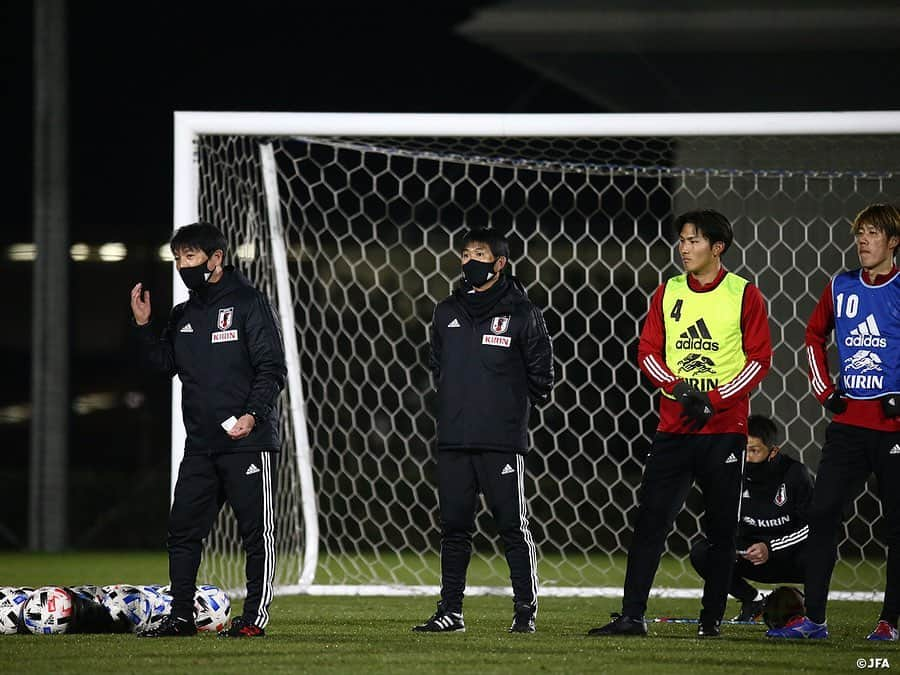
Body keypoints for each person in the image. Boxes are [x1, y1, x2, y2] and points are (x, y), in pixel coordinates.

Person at [589, 209, 772, 638]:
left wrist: (715, 399)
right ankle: (632, 616)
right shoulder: (667, 291)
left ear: (717, 247)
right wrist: (679, 390)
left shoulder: (745, 294)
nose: (684, 248)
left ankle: (711, 624)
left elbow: (759, 360)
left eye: (693, 240)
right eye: (682, 240)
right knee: (650, 523)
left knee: (722, 530)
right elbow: (648, 351)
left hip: (724, 432)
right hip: (673, 430)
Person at [129, 222, 286, 638]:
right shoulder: (183, 314)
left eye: (191, 257)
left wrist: (253, 414)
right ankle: (181, 616)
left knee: (257, 534)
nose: (183, 265)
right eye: (178, 258)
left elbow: (272, 368)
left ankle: (253, 619)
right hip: (200, 446)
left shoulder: (249, 302)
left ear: (216, 259)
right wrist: (145, 326)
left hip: (247, 443)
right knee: (182, 532)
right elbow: (164, 367)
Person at [412, 228, 554, 634]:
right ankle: (450, 611)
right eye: (466, 252)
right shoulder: (445, 311)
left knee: (512, 525)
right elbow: (437, 366)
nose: (471, 259)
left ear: (500, 263)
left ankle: (525, 612)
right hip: (454, 439)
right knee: (454, 529)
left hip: (502, 441)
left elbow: (543, 376)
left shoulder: (523, 312)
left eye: (480, 253)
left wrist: (503, 404)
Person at [769, 203, 900, 641]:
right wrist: (826, 391)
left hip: (893, 429)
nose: (863, 240)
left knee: (896, 524)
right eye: (859, 232)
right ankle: (815, 620)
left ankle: (889, 621)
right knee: (822, 513)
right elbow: (813, 335)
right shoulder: (841, 285)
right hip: (848, 426)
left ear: (893, 241)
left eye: (873, 233)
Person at [690, 414, 813, 622]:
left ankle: (813, 618)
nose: (747, 457)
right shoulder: (731, 474)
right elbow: (721, 522)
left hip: (788, 556)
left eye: (754, 450)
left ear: (773, 451)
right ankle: (753, 600)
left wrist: (770, 547)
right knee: (703, 552)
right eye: (743, 449)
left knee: (823, 552)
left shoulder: (795, 474)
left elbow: (811, 527)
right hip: (750, 556)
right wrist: (736, 547)